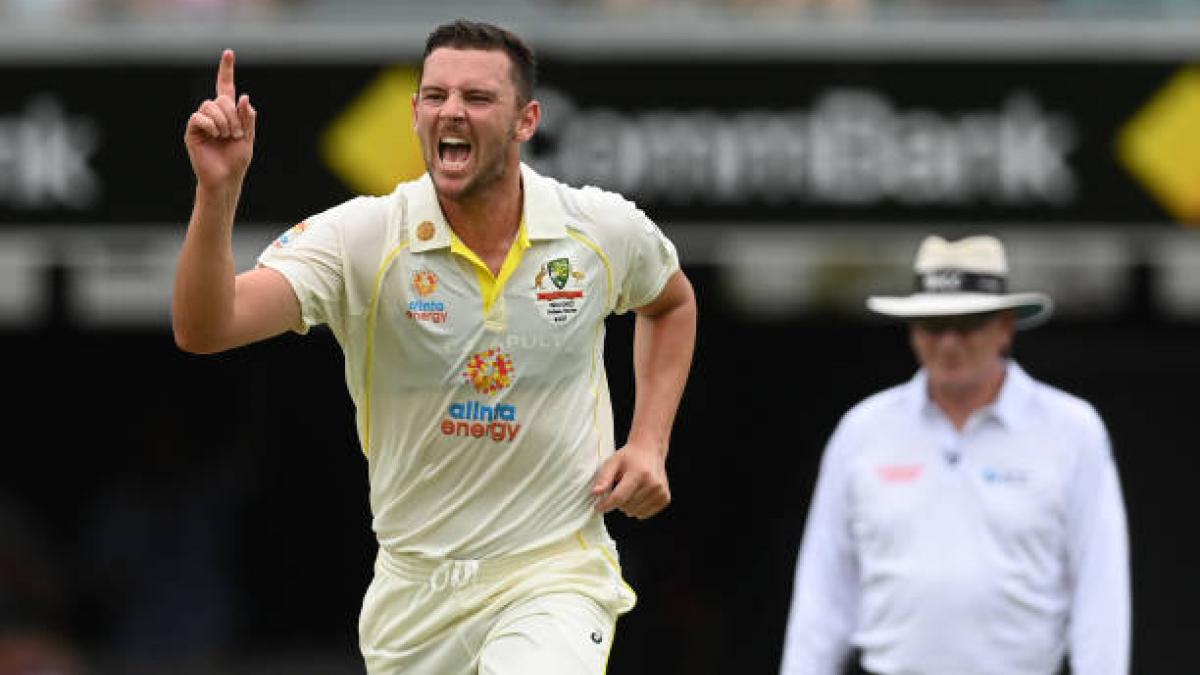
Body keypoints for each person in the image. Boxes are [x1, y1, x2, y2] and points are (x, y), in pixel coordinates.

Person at [173, 19, 697, 675]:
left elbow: (670, 302)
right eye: (435, 95)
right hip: (416, 593)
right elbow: (207, 326)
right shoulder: (365, 237)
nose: (452, 111)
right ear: (415, 113)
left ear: (526, 120)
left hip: (552, 573)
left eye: (477, 98)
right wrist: (217, 193)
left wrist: (648, 442)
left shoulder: (597, 227)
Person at [779, 235, 1129, 675]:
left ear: (1005, 327)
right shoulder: (863, 430)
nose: (948, 343)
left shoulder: (1072, 431)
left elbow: (1100, 589)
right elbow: (823, 588)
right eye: (933, 325)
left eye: (966, 325)